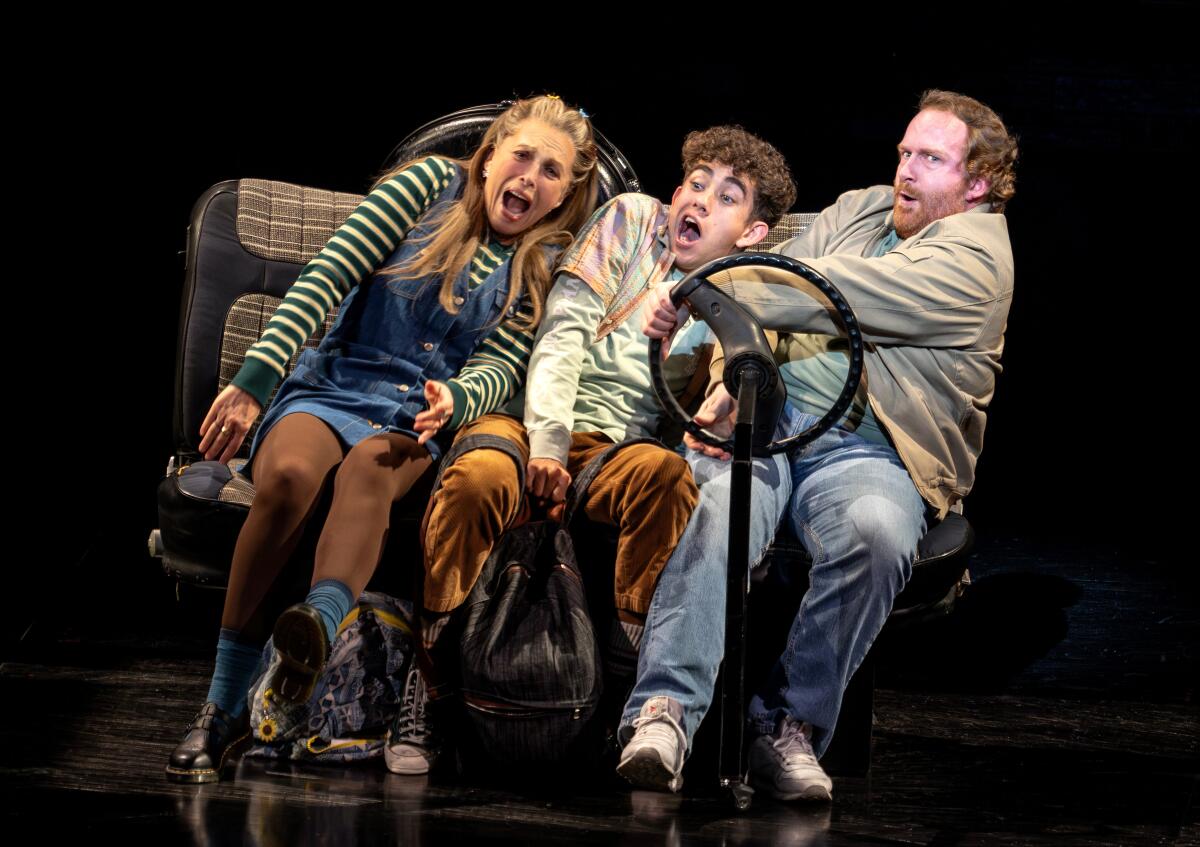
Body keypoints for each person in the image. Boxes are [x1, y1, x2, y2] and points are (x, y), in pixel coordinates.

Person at [165, 95, 599, 784]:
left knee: (370, 465)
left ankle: (311, 638)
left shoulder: (545, 260)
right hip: (330, 387)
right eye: (522, 155)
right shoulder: (424, 186)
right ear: (491, 154)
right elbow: (328, 274)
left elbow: (503, 365)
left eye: (553, 171)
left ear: (565, 192)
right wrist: (254, 380)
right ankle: (217, 708)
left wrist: (460, 397)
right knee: (287, 479)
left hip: (411, 421)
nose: (531, 177)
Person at [621, 89, 1018, 801]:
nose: (906, 170)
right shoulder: (858, 209)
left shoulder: (978, 258)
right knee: (716, 504)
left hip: (869, 453)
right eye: (905, 152)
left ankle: (786, 725)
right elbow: (767, 308)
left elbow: (818, 289)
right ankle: (664, 713)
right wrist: (726, 380)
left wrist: (703, 286)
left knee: (878, 534)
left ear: (978, 183)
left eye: (931, 158)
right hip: (773, 417)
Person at [385, 126, 797, 775]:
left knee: (666, 479)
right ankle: (428, 684)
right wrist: (546, 444)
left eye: (726, 196)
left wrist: (721, 396)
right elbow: (563, 332)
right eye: (695, 183)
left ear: (751, 232)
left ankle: (614, 694)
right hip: (531, 421)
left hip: (619, 451)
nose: (698, 201)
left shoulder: (744, 289)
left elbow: (731, 372)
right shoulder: (632, 219)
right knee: (478, 482)